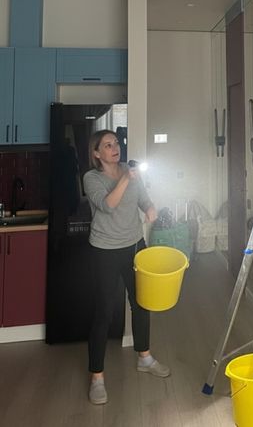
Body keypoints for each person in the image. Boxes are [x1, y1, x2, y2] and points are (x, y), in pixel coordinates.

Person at [83, 129, 169, 405]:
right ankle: (97, 377)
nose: (115, 148)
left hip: (134, 246)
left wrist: (150, 208)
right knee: (104, 312)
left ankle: (144, 357)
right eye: (107, 145)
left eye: (116, 143)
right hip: (105, 250)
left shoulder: (130, 172)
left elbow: (143, 198)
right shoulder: (91, 178)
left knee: (141, 303)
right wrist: (125, 178)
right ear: (96, 153)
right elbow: (108, 205)